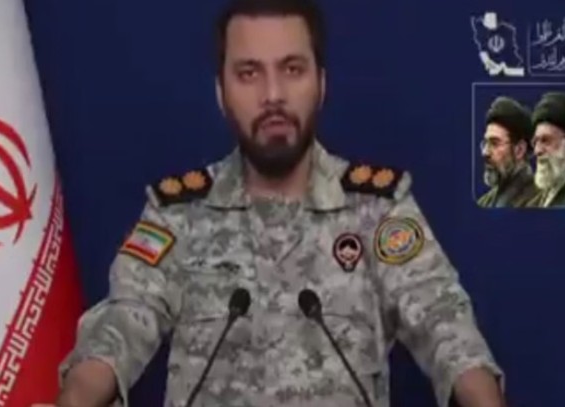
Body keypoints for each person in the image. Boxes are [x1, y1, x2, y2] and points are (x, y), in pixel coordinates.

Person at [38, 0, 507, 406]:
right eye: (249, 73)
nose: (273, 95)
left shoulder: (377, 208)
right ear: (221, 93)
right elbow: (123, 323)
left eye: (292, 69)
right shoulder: (178, 212)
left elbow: (445, 326)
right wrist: (75, 398)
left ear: (321, 83)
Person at [477, 96, 537, 208]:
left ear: (519, 150)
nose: (485, 152)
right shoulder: (484, 202)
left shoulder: (540, 201)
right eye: (485, 143)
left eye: (495, 143)